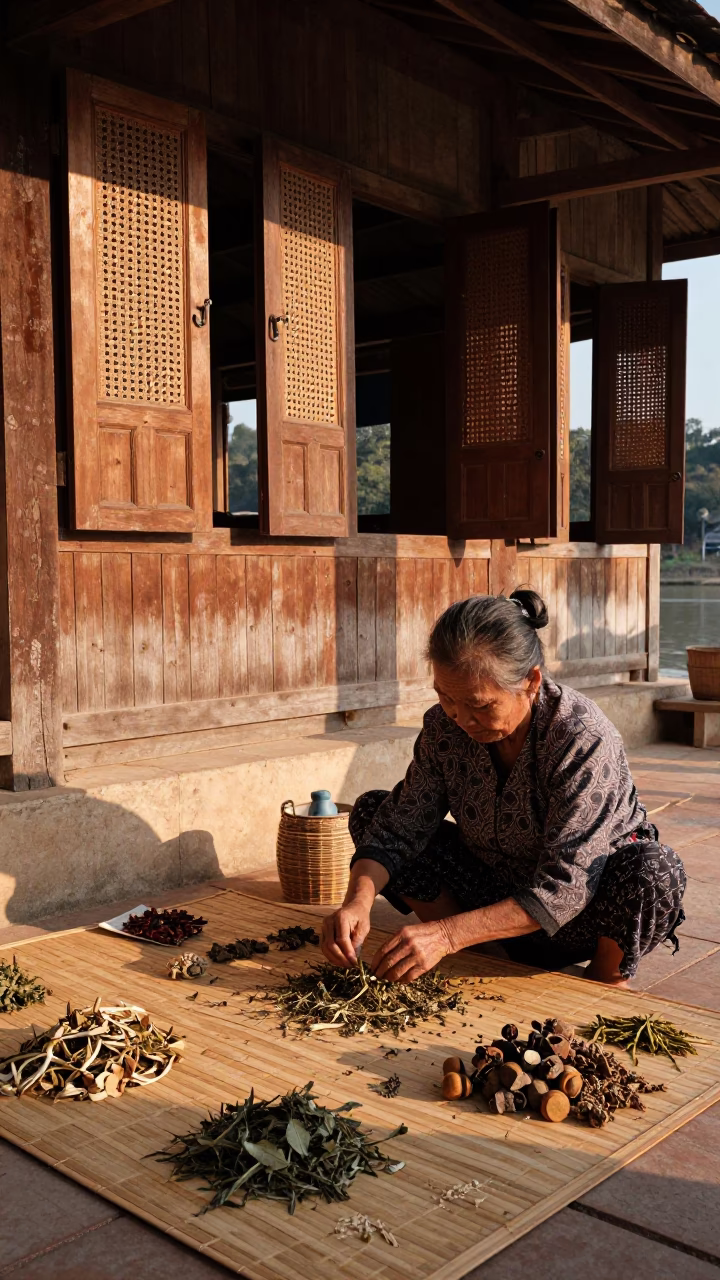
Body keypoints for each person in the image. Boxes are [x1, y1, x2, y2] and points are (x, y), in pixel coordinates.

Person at [321, 590, 685, 987]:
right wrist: (356, 901)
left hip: (577, 916)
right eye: (446, 698)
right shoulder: (444, 727)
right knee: (373, 810)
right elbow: (399, 827)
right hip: (490, 891)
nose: (462, 718)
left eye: (481, 705)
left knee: (655, 870)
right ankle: (481, 952)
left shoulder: (580, 739)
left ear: (530, 683)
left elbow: (566, 886)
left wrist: (446, 934)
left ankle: (604, 979)